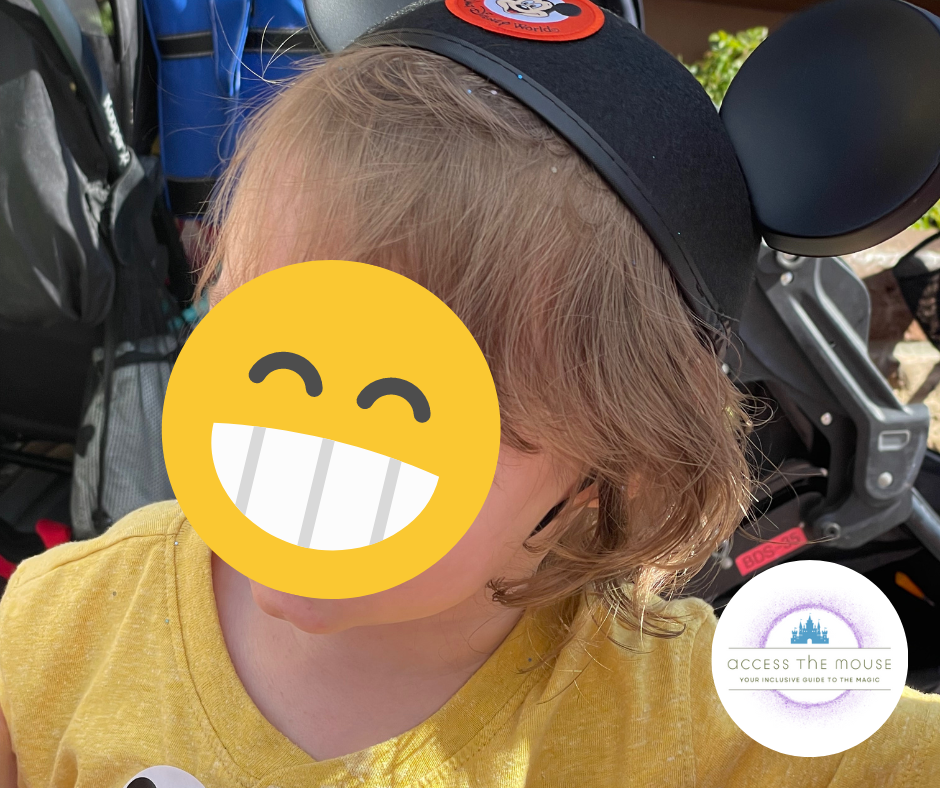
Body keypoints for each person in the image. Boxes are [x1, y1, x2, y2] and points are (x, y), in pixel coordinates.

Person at [1, 25, 938, 788]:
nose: (310, 433)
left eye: (417, 401)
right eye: (280, 347)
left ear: (611, 462)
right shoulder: (64, 622)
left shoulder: (682, 713)